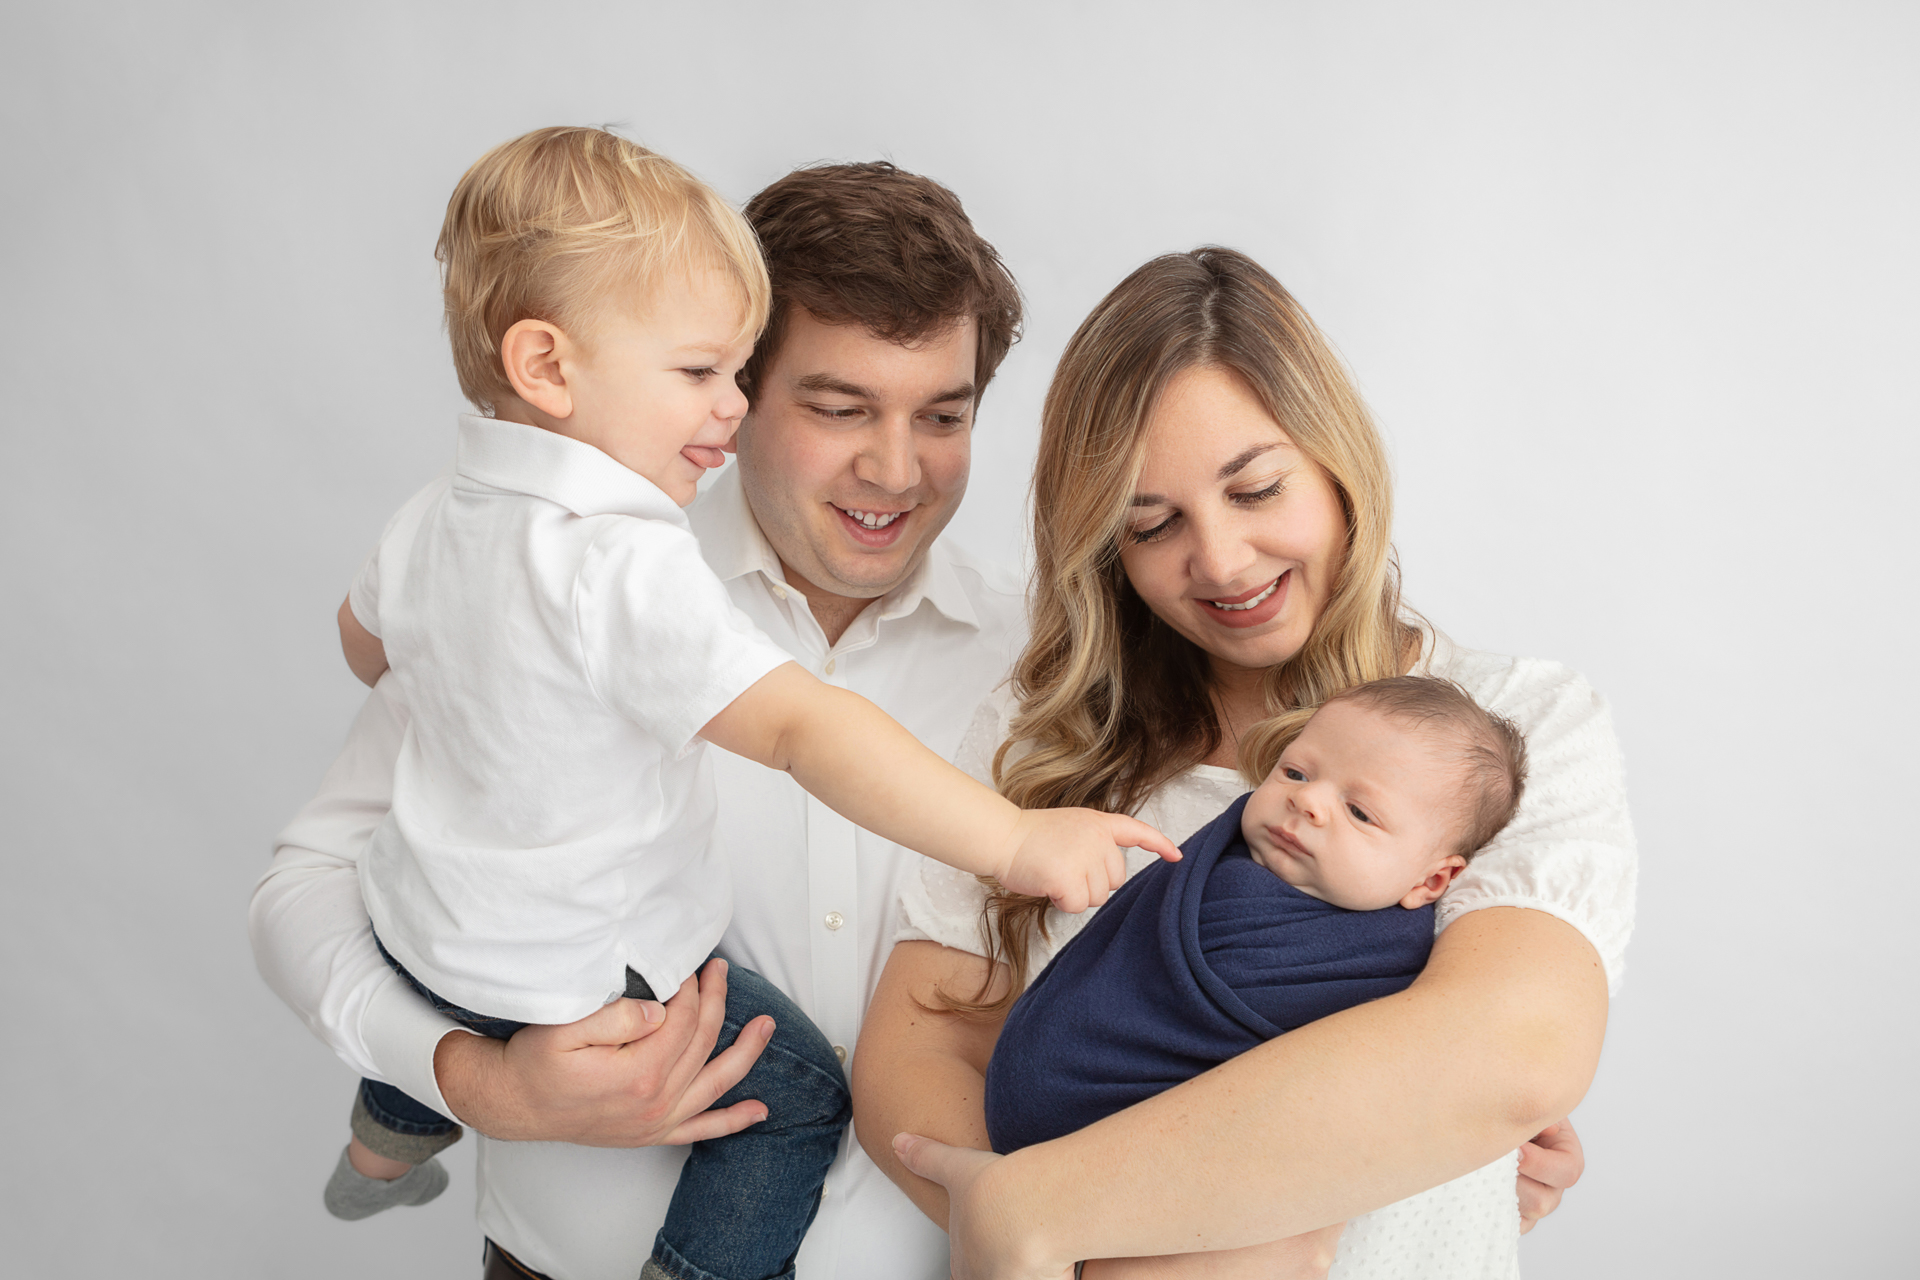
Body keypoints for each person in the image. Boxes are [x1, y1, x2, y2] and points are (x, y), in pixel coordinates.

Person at [253, 155, 1063, 1280]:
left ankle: (381, 1143)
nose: (897, 466)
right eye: (838, 407)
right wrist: (474, 1081)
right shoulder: (548, 588)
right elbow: (301, 893)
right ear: (735, 390)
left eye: (944, 414)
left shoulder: (1047, 663)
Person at [857, 248, 1636, 1279]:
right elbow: (921, 1047)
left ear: (1336, 461)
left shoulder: (1518, 727)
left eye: (1257, 487)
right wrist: (1085, 1256)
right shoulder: (1042, 738)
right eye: (1153, 522)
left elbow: (1509, 1050)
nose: (1220, 560)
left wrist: (1046, 1207)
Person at [984, 677, 1528, 1271]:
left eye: (1359, 811)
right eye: (1296, 773)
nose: (1309, 801)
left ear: (1431, 882)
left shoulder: (1404, 968)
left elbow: (1400, 1077)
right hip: (1064, 1129)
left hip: (1131, 1174)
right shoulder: (1220, 868)